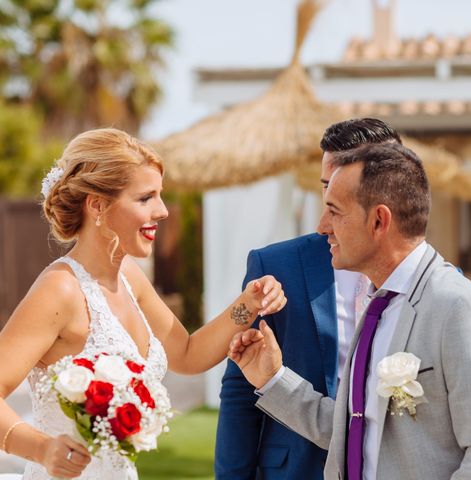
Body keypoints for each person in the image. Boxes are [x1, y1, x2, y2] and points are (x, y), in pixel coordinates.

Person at [229, 143, 471, 480]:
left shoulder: (459, 308)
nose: (323, 226)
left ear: (378, 221)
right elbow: (358, 431)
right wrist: (273, 378)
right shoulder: (377, 305)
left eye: (335, 211)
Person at [0, 128, 286, 480]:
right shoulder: (61, 289)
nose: (163, 211)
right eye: (145, 198)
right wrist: (41, 449)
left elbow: (187, 353)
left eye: (160, 196)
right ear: (98, 205)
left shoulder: (129, 278)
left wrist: (250, 302)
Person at [215, 118, 402, 479]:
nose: (326, 208)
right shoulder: (274, 264)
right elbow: (240, 384)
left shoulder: (431, 285)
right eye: (324, 187)